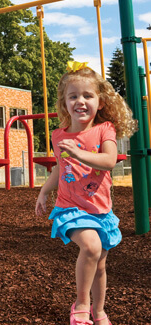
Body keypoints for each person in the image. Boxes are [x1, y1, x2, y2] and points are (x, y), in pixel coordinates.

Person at [35, 61, 138, 325]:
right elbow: (60, 167)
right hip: (70, 207)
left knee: (100, 263)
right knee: (91, 247)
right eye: (73, 96)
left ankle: (99, 310)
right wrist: (45, 191)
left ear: (100, 102)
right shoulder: (59, 136)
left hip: (100, 209)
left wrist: (80, 152)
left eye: (87, 95)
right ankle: (81, 305)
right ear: (65, 103)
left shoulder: (105, 130)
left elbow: (109, 160)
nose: (80, 101)